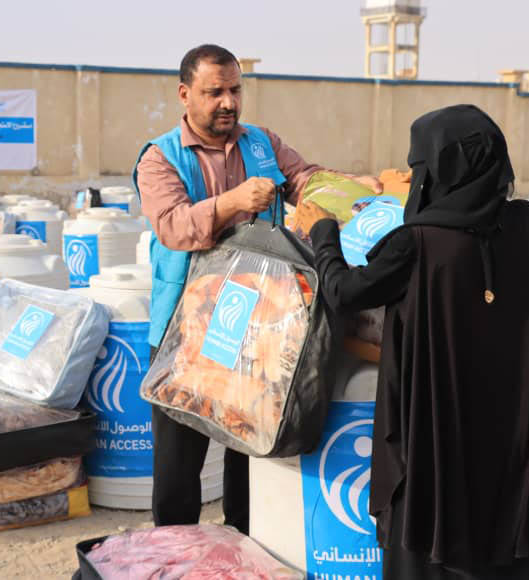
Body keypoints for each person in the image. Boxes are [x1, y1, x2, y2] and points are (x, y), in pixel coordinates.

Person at [294, 104, 529, 579]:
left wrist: (323, 234)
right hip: (510, 424)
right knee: (509, 517)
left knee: (430, 531)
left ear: (440, 170)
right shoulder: (528, 225)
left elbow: (345, 292)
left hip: (437, 426)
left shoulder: (417, 243)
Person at [132, 44, 380, 535]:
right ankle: (174, 547)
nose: (228, 102)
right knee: (180, 459)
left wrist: (345, 187)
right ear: (185, 95)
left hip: (259, 325)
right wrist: (231, 202)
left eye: (235, 90)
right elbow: (173, 226)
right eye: (214, 92)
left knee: (250, 448)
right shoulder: (160, 158)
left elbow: (304, 178)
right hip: (190, 331)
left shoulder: (262, 144)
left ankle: (244, 545)